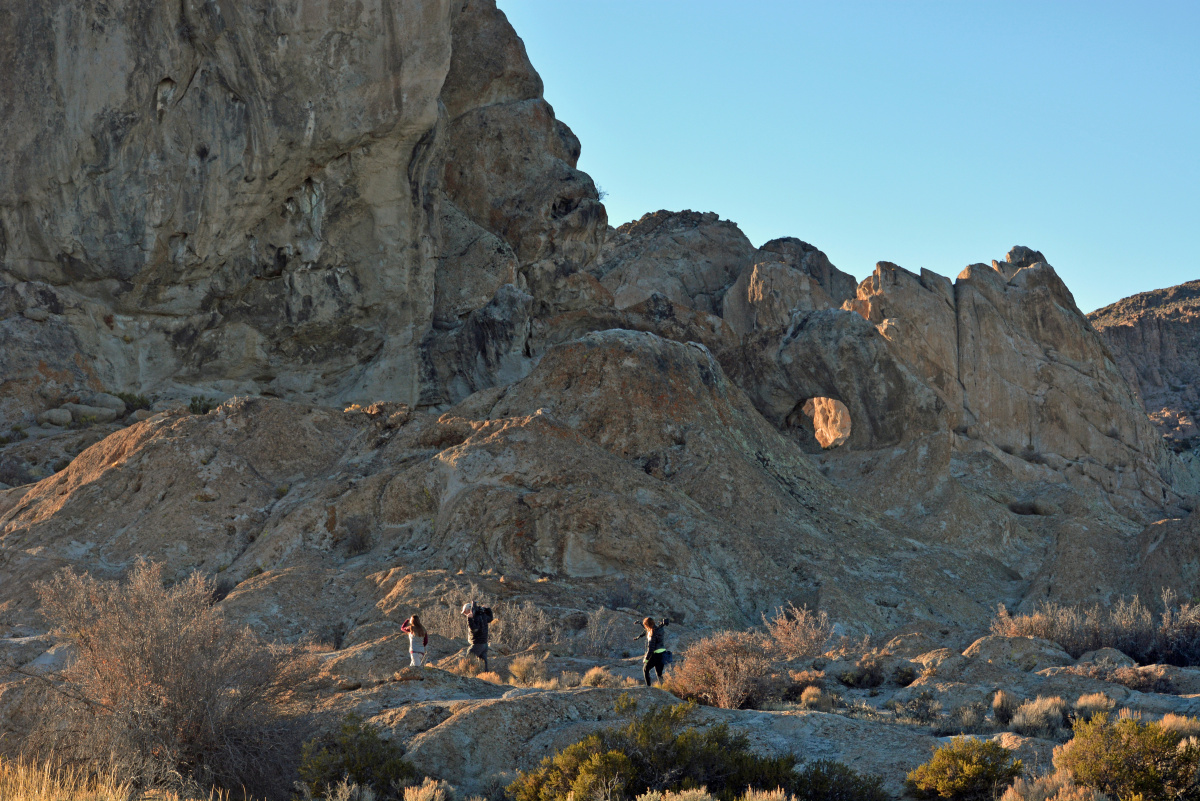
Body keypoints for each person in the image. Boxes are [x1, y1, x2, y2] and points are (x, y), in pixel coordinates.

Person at [634, 617, 670, 686]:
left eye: (645, 625)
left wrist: (646, 659)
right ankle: (663, 688)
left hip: (656, 654)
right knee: (659, 674)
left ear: (647, 625)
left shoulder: (652, 634)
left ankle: (648, 687)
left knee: (645, 669)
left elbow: (651, 649)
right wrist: (640, 623)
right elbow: (649, 629)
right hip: (663, 653)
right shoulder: (660, 629)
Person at [461, 601, 494, 672]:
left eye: (465, 612)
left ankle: (465, 675)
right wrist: (488, 609)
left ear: (469, 610)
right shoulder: (482, 615)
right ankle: (486, 677)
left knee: (468, 660)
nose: (465, 614)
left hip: (478, 644)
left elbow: (475, 629)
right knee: (483, 664)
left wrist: (469, 619)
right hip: (484, 644)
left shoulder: (475, 617)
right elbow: (490, 618)